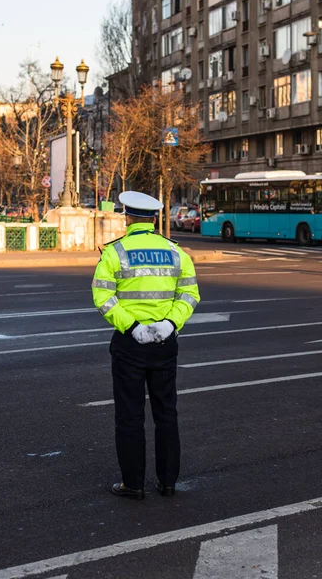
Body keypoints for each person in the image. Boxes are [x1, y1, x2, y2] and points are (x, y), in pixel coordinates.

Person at [92, 191, 200, 500]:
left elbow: (103, 297)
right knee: (167, 413)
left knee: (129, 416)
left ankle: (133, 484)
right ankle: (167, 482)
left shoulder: (115, 252)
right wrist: (170, 324)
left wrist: (133, 326)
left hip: (130, 344)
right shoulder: (176, 251)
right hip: (165, 343)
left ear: (127, 217)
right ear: (153, 219)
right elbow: (189, 294)